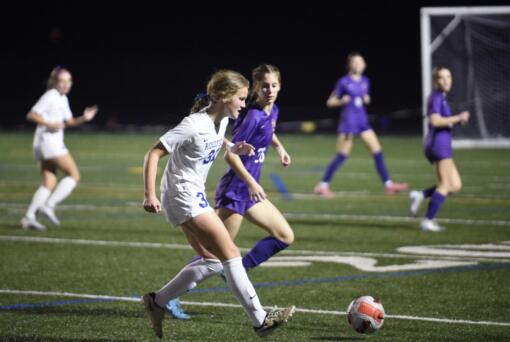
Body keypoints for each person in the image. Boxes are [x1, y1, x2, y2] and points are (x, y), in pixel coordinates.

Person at [141, 70, 295, 338]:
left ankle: (157, 301)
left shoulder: (221, 120)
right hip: (182, 195)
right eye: (241, 98)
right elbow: (154, 153)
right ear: (224, 97)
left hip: (191, 194)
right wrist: (149, 195)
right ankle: (260, 320)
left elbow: (217, 138)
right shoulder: (193, 124)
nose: (244, 104)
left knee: (213, 261)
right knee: (230, 253)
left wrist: (233, 148)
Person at [314, 52, 408, 197]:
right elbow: (330, 102)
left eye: (361, 62)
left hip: (362, 122)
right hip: (348, 122)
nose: (359, 64)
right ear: (350, 65)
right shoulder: (344, 81)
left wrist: (366, 98)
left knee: (377, 152)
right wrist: (341, 101)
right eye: (355, 62)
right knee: (342, 155)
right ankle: (323, 185)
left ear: (364, 65)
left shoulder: (365, 81)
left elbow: (365, 98)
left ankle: (388, 185)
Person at [21, 66, 98, 231]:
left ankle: (29, 217)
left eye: (68, 80)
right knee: (74, 175)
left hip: (43, 143)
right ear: (54, 82)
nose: (66, 84)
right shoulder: (51, 95)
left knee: (49, 182)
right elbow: (32, 114)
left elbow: (69, 122)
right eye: (62, 81)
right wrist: (49, 123)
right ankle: (49, 205)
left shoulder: (62, 98)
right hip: (49, 143)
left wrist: (84, 118)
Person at [409, 67, 469, 232]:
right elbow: (435, 121)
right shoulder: (435, 97)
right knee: (445, 184)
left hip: (443, 144)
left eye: (448, 77)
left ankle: (420, 195)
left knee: (455, 185)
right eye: (442, 78)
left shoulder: (442, 97)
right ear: (435, 81)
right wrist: (458, 118)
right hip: (438, 145)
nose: (446, 80)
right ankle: (428, 221)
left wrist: (456, 120)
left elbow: (443, 120)